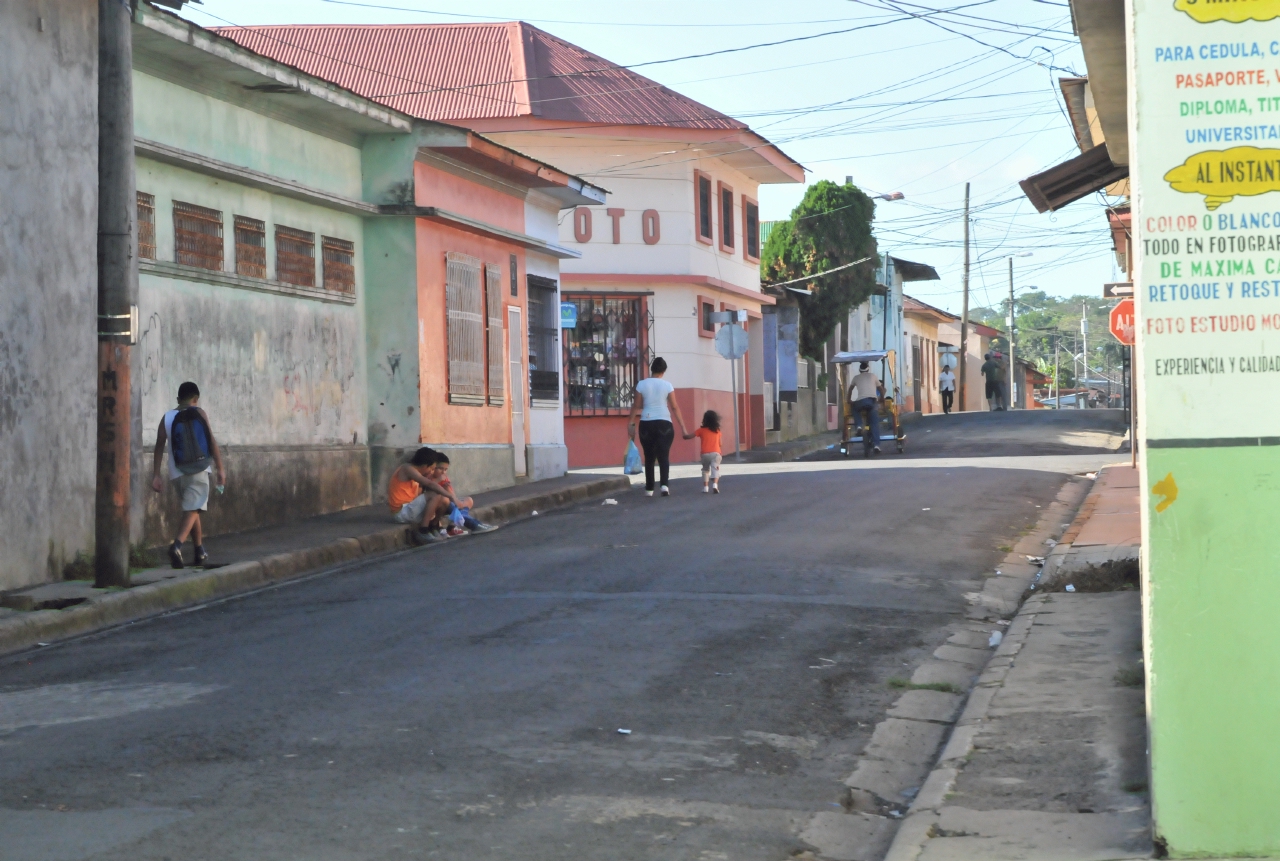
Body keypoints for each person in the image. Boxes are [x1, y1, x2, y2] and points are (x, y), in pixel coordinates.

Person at [151, 381, 226, 569]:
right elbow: (211, 441)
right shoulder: (199, 413)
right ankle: (176, 545)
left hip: (177, 473)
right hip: (198, 468)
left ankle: (199, 550)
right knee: (194, 508)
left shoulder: (167, 417)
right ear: (195, 399)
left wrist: (156, 475)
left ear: (178, 399)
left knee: (192, 509)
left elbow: (159, 445)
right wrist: (220, 469)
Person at [628, 356, 691, 497]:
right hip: (664, 423)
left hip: (646, 422)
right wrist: (683, 428)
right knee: (664, 456)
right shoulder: (667, 385)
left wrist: (631, 424)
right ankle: (664, 486)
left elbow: (636, 406)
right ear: (664, 371)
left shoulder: (641, 385)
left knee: (649, 456)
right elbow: (674, 407)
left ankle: (649, 489)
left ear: (651, 369)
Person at [387, 447, 460, 545]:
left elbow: (420, 493)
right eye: (431, 468)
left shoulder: (417, 473)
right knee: (435, 494)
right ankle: (423, 530)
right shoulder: (407, 469)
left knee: (444, 500)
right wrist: (451, 496)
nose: (431, 471)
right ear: (425, 465)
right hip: (401, 512)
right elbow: (430, 485)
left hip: (410, 509)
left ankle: (433, 526)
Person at [430, 453, 496, 534]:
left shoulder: (444, 477)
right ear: (433, 467)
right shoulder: (430, 477)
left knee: (468, 500)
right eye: (440, 468)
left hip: (449, 503)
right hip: (440, 504)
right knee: (451, 504)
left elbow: (451, 494)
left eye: (445, 469)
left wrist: (456, 501)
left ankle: (452, 527)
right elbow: (429, 489)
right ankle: (475, 525)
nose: (443, 472)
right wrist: (439, 480)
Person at [849, 361, 883, 454]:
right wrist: (882, 399)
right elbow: (880, 389)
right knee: (874, 424)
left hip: (861, 402)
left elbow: (850, 389)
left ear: (859, 370)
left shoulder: (856, 377)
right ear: (868, 369)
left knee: (854, 408)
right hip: (872, 402)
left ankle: (859, 426)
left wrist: (849, 400)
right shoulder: (873, 376)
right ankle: (876, 445)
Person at [689, 410, 723, 494]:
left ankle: (705, 487)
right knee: (715, 469)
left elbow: (690, 436)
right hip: (715, 453)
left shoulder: (701, 430)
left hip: (705, 454)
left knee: (705, 470)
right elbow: (720, 444)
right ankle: (715, 485)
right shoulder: (717, 431)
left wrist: (685, 435)